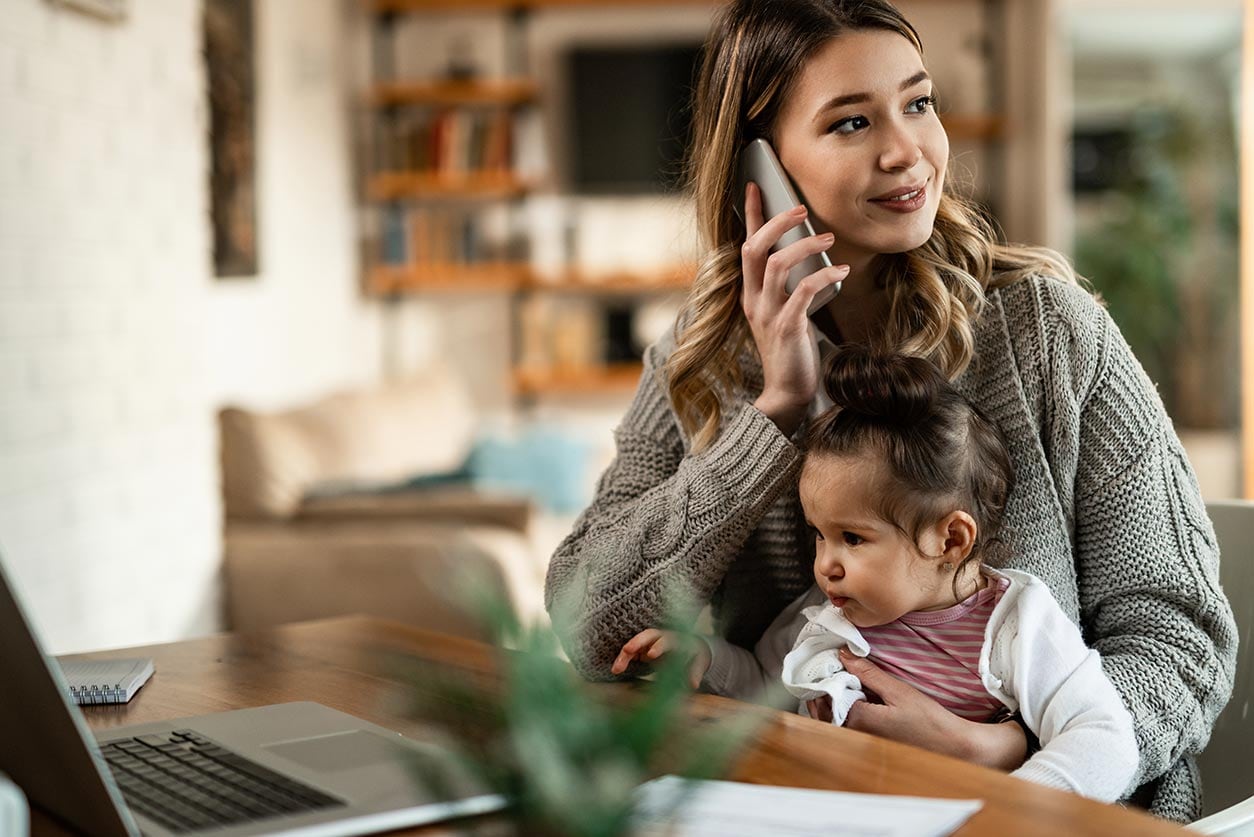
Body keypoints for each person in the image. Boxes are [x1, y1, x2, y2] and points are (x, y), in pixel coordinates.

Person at [544, 0, 1237, 821]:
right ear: (759, 169)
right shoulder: (699, 362)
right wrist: (775, 413)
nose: (907, 150)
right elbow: (591, 626)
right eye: (850, 124)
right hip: (807, 806)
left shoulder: (1047, 332)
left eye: (918, 102)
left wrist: (1008, 751)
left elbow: (1180, 639)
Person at [614, 346, 1140, 802]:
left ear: (951, 539)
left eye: (854, 539)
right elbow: (765, 688)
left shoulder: (1017, 625)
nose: (825, 564)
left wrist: (1015, 803)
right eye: (820, 534)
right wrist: (705, 660)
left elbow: (1103, 735)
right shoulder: (830, 617)